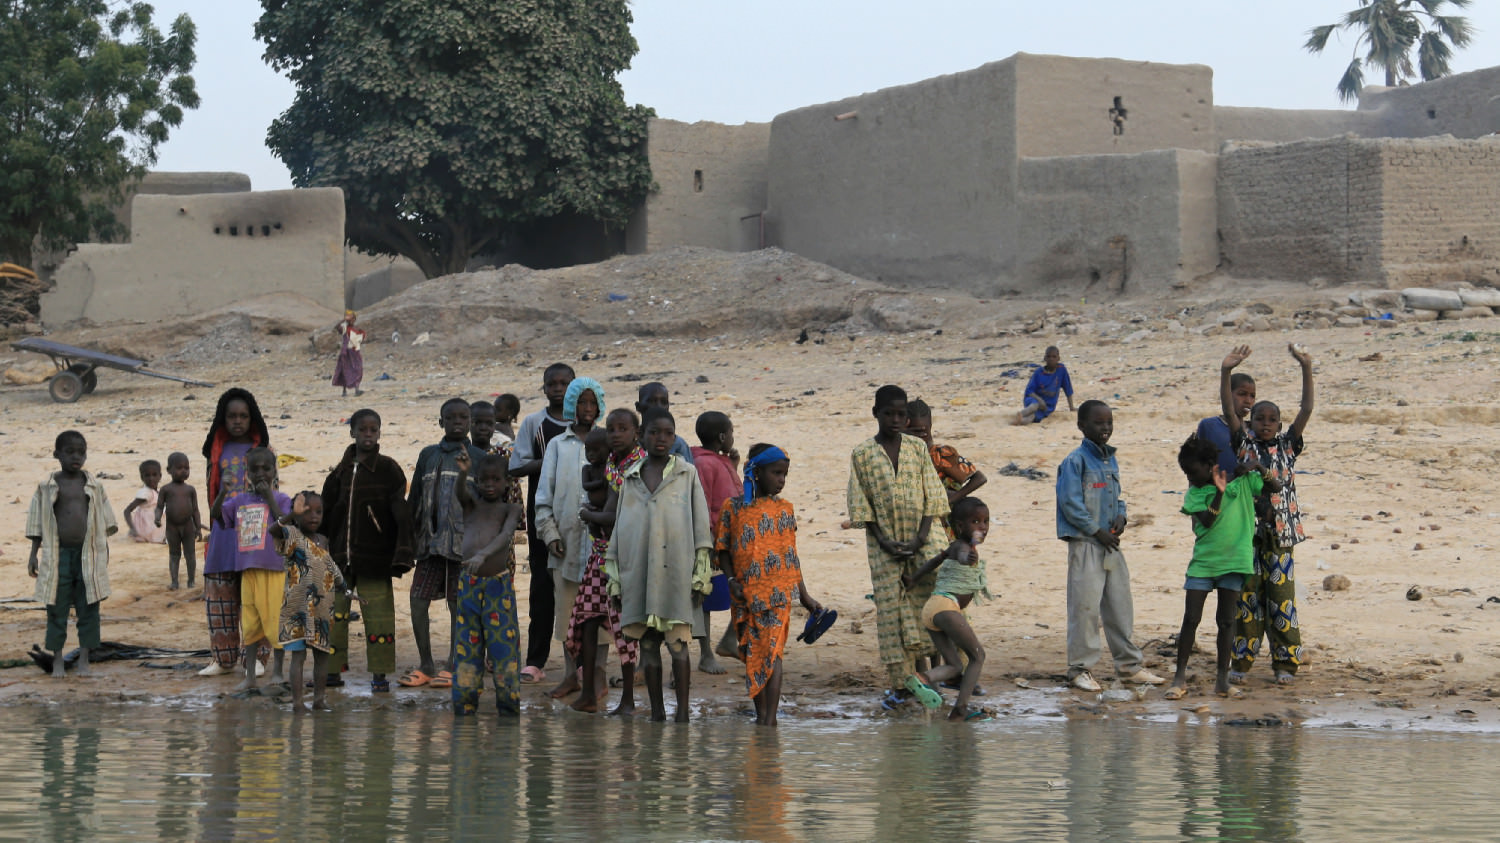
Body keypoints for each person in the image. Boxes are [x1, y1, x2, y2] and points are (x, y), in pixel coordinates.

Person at [605, 408, 714, 722]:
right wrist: (616, 580)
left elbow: (701, 529)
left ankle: (681, 714)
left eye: (668, 433)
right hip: (638, 574)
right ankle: (656, 714)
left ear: (675, 436)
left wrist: (700, 577)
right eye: (654, 433)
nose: (661, 439)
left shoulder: (686, 474)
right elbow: (620, 532)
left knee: (678, 644)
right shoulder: (630, 478)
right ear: (642, 437)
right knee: (648, 646)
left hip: (676, 575)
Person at [845, 385, 951, 708]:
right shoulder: (862, 454)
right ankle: (904, 684)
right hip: (884, 544)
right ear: (875, 413)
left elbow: (933, 496)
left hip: (924, 537)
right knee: (891, 610)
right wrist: (885, 540)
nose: (895, 419)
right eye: (888, 413)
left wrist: (920, 538)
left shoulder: (918, 450)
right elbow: (861, 504)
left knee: (934, 603)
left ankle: (945, 673)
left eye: (900, 414)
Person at [1222, 343, 1315, 686]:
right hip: (1247, 535)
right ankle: (1241, 663)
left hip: (1281, 535)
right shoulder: (1244, 443)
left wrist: (1305, 367)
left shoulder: (1288, 446)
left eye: (1271, 419)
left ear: (1279, 424)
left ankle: (1285, 664)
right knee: (1248, 601)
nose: (1264, 423)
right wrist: (1225, 371)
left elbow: (1306, 409)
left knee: (1281, 600)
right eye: (1259, 418)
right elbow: (1229, 413)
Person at [1056, 400, 1164, 692]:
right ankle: (1080, 669)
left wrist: (1121, 516)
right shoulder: (1074, 461)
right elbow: (1070, 503)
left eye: (1109, 423)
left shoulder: (1110, 460)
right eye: (1098, 423)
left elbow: (1117, 496)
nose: (1105, 428)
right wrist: (1096, 530)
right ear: (1082, 426)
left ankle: (1129, 668)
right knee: (1085, 608)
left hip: (1110, 544)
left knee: (1120, 606)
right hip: (1086, 545)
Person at [716, 443, 822, 726]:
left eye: (785, 475)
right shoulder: (734, 508)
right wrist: (730, 581)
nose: (781, 480)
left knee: (772, 652)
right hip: (744, 595)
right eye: (776, 473)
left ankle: (769, 719)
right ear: (757, 471)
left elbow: (791, 555)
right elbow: (723, 549)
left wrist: (805, 595)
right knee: (753, 652)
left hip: (778, 594)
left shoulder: (785, 509)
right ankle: (762, 716)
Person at [1165, 435, 1278, 701]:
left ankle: (1222, 680)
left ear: (1210, 466)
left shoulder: (1241, 485)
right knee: (1190, 619)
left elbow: (1275, 486)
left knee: (1226, 622)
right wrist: (1218, 492)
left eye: (1193, 472)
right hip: (1203, 563)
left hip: (1233, 562)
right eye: (1186, 474)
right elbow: (1206, 522)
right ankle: (1179, 677)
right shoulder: (1195, 494)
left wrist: (1257, 466)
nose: (1190, 478)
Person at [321, 409, 413, 693]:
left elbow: (401, 513)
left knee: (379, 616)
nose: (368, 435)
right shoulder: (340, 472)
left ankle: (380, 675)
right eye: (363, 430)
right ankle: (332, 673)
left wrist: (402, 552)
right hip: (340, 559)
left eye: (374, 430)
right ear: (353, 433)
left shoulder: (388, 470)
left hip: (376, 558)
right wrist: (323, 545)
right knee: (334, 616)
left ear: (380, 433)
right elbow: (327, 511)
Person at [402, 397, 486, 689]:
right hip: (429, 543)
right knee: (417, 601)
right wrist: (408, 540)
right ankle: (426, 663)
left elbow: (484, 503)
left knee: (456, 604)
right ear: (441, 422)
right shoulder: (428, 455)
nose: (458, 422)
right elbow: (415, 499)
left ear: (471, 423)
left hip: (463, 545)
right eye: (451, 418)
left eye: (464, 417)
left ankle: (453, 663)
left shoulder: (478, 457)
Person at [570, 408, 646, 715]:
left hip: (626, 559)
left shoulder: (637, 466)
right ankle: (588, 692)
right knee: (587, 619)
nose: (615, 434)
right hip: (601, 554)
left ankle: (627, 698)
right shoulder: (611, 463)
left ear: (635, 433)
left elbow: (618, 516)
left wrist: (587, 515)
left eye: (622, 429)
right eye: (611, 429)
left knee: (625, 629)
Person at [26, 431, 116, 678]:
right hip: (57, 557)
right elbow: (36, 523)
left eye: (81, 452)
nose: (76, 457)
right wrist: (34, 554)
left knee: (89, 607)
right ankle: (57, 660)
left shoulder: (94, 486)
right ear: (57, 455)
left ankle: (84, 658)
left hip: (88, 556)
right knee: (56, 607)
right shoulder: (47, 487)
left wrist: (104, 553)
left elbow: (103, 523)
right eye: (70, 452)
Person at [535, 377, 604, 700]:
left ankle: (598, 674)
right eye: (581, 403)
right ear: (571, 406)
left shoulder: (607, 444)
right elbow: (543, 496)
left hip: (602, 547)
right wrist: (549, 534)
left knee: (601, 612)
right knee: (566, 612)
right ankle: (569, 674)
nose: (587, 409)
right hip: (564, 543)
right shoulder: (558, 446)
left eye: (592, 403)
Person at [510, 363, 575, 684]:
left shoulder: (585, 424)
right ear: (544, 387)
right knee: (541, 588)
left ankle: (577, 662)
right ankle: (535, 660)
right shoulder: (534, 423)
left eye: (565, 383)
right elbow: (516, 466)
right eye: (553, 383)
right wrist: (551, 458)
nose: (558, 388)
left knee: (577, 588)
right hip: (542, 516)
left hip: (578, 519)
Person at [199, 388, 272, 677]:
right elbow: (211, 491)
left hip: (254, 531)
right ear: (223, 419)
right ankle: (223, 658)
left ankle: (256, 657)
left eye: (243, 416)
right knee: (221, 596)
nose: (238, 421)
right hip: (223, 532)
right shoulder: (216, 452)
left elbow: (272, 490)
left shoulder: (262, 452)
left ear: (252, 418)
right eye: (232, 416)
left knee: (255, 595)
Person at [903, 497, 992, 721]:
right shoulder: (963, 548)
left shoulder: (958, 546)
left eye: (986, 522)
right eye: (975, 522)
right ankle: (960, 710)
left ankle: (923, 677)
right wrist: (967, 558)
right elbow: (962, 557)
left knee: (954, 665)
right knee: (977, 656)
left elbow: (935, 560)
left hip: (934, 610)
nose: (982, 527)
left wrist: (914, 578)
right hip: (945, 607)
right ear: (960, 527)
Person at [450, 452, 525, 716]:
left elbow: (505, 537)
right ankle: (464, 704)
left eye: (495, 480)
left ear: (507, 482)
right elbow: (460, 492)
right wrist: (462, 472)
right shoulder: (471, 504)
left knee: (502, 648)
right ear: (476, 482)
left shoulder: (511, 509)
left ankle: (508, 705)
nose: (489, 485)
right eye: (483, 480)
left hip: (497, 587)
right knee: (466, 648)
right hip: (469, 585)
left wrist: (482, 555)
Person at [217, 446, 291, 695]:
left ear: (274, 471)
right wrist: (222, 492)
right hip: (248, 571)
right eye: (255, 469)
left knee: (274, 623)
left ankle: (278, 673)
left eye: (266, 469)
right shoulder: (239, 501)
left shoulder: (281, 499)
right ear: (247, 472)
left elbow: (286, 524)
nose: (260, 473)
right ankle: (250, 676)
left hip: (274, 570)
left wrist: (269, 497)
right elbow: (218, 516)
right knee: (249, 625)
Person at [270, 491, 349, 713]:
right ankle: (297, 702)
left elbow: (332, 568)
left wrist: (347, 589)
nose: (314, 516)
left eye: (318, 511)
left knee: (322, 656)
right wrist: (288, 516)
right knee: (298, 656)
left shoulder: (323, 540)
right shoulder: (292, 535)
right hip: (297, 609)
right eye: (307, 512)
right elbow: (272, 530)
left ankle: (319, 699)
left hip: (322, 608)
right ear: (296, 515)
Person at [690, 410, 739, 675]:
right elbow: (704, 503)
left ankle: (730, 639)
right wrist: (708, 541)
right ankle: (706, 653)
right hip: (712, 541)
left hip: (730, 539)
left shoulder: (717, 461)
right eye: (731, 432)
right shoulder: (704, 464)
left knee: (744, 586)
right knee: (705, 598)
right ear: (722, 436)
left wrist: (734, 464)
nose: (733, 436)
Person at [905, 400, 987, 505]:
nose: (919, 436)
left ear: (930, 425)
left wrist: (951, 499)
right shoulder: (901, 454)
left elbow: (979, 478)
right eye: (914, 432)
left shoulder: (941, 454)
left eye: (924, 432)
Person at [1197, 345, 1257, 474]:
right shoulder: (1210, 426)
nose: (1248, 400)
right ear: (1228, 394)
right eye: (1242, 394)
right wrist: (1226, 371)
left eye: (1252, 396)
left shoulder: (1254, 431)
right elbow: (1198, 463)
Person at [154, 452, 203, 591]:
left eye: (186, 468)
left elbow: (195, 510)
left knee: (190, 555)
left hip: (188, 526)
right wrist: (157, 518)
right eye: (179, 468)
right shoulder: (165, 489)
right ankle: (174, 581)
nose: (184, 471)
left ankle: (191, 580)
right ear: (169, 470)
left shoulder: (190, 490)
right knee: (174, 554)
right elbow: (159, 507)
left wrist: (198, 528)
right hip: (172, 527)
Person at [635, 382, 695, 465]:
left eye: (663, 402)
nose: (658, 406)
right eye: (652, 401)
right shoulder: (628, 441)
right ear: (638, 407)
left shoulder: (678, 444)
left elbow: (689, 475)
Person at [1018, 346, 1075, 424]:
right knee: (1034, 406)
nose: (1051, 359)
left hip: (1047, 407)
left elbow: (1068, 389)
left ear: (1058, 358)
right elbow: (1029, 391)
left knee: (1032, 418)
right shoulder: (1038, 373)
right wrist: (1040, 400)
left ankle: (1017, 421)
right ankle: (1019, 415)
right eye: (1048, 356)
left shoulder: (1061, 370)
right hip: (1033, 400)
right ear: (1045, 358)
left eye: (1054, 357)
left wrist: (1071, 407)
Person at [123, 460, 166, 545]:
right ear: (142, 478)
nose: (151, 478)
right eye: (147, 475)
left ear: (160, 476)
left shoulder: (158, 491)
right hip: (147, 527)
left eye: (154, 475)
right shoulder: (145, 493)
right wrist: (132, 528)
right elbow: (127, 510)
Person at [331, 310, 366, 397]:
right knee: (344, 370)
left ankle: (356, 390)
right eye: (350, 318)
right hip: (346, 352)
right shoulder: (344, 328)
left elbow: (360, 339)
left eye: (352, 318)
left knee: (357, 369)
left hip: (354, 352)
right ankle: (344, 391)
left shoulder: (356, 329)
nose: (351, 320)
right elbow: (336, 327)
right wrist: (344, 320)